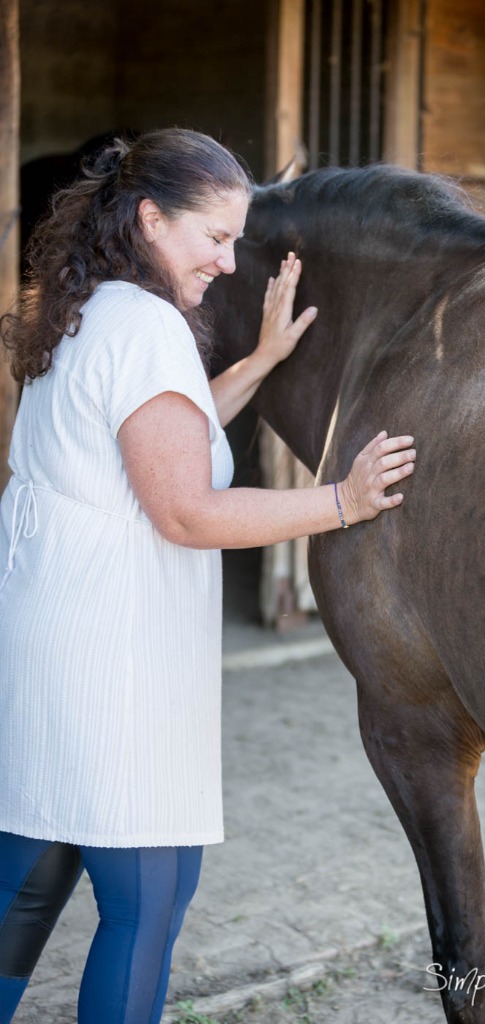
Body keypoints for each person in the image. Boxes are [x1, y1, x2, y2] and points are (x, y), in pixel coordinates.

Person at [0, 128, 416, 1023]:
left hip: (55, 642)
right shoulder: (147, 327)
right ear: (152, 219)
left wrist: (258, 362)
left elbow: (158, 439)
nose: (229, 263)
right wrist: (342, 501)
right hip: (112, 659)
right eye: (215, 237)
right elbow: (186, 510)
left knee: (28, 884)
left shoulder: (89, 307)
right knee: (147, 900)